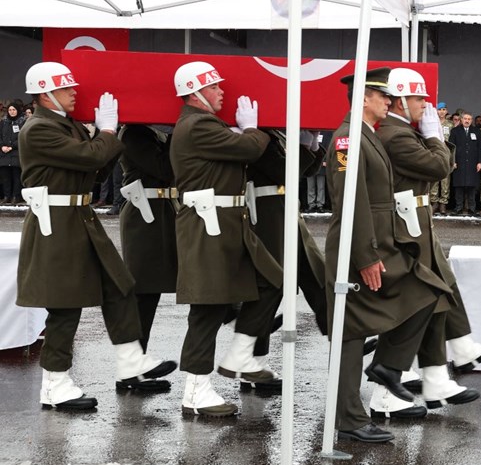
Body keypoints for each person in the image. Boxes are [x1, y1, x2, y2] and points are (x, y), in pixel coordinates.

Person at [18, 62, 176, 411]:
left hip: (79, 217)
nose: (75, 92)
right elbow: (87, 156)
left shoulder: (66, 125)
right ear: (46, 93)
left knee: (120, 287)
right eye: (67, 88)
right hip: (55, 223)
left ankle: (131, 360)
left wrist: (105, 138)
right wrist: (105, 134)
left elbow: (94, 168)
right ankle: (55, 384)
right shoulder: (38, 129)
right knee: (65, 304)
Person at [325, 67, 451, 442]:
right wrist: (364, 256)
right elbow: (352, 202)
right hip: (358, 247)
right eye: (382, 96)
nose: (389, 102)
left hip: (377, 243)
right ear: (364, 98)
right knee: (349, 332)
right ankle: (348, 418)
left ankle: (387, 370)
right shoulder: (348, 139)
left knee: (426, 293)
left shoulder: (366, 135)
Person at [374, 68, 481, 419]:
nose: (425, 105)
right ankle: (389, 393)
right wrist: (436, 138)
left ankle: (438, 375)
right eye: (418, 98)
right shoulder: (395, 135)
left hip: (416, 222)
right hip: (404, 227)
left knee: (436, 295)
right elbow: (439, 167)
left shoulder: (402, 132)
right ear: (400, 100)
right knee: (421, 301)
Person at [170, 61, 282, 416]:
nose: (222, 91)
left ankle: (240, 354)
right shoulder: (197, 124)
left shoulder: (207, 124)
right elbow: (249, 150)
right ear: (195, 92)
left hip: (228, 221)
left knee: (272, 281)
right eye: (215, 87)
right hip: (208, 224)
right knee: (208, 306)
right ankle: (196, 390)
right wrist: (251, 131)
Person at [245, 129, 330, 361]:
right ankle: (254, 360)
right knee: (269, 288)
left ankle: (343, 342)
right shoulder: (258, 137)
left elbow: (305, 171)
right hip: (268, 216)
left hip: (287, 213)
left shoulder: (276, 135)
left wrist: (312, 147)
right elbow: (285, 173)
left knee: (316, 277)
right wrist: (303, 148)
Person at [118, 125, 178, 366]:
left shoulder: (151, 133)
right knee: (143, 290)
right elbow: (164, 168)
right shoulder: (135, 133)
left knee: (184, 273)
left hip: (161, 211)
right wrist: (177, 136)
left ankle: (234, 316)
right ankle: (132, 363)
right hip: (144, 214)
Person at [450, 112, 481, 215]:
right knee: (459, 186)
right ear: (461, 120)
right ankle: (458, 207)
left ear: (471, 120)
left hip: (472, 162)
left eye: (469, 119)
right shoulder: (455, 131)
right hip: (459, 162)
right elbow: (451, 147)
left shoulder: (476, 131)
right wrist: (453, 161)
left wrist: (480, 162)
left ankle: (472, 208)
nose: (467, 121)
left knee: (472, 186)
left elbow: (480, 148)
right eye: (465, 119)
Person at [429, 102, 454, 215]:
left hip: (446, 154)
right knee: (434, 178)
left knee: (445, 180)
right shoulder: (432, 123)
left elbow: (453, 142)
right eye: (440, 109)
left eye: (444, 109)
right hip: (434, 153)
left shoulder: (450, 125)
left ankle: (443, 203)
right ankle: (434, 202)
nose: (442, 112)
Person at [0, 103, 26, 204]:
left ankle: (16, 196)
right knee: (5, 176)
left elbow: (22, 137)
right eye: (10, 110)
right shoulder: (3, 122)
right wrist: (2, 146)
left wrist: (12, 146)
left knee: (16, 176)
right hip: (4, 153)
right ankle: (7, 196)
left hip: (16, 152)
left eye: (14, 110)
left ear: (18, 110)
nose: (12, 112)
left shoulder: (22, 122)